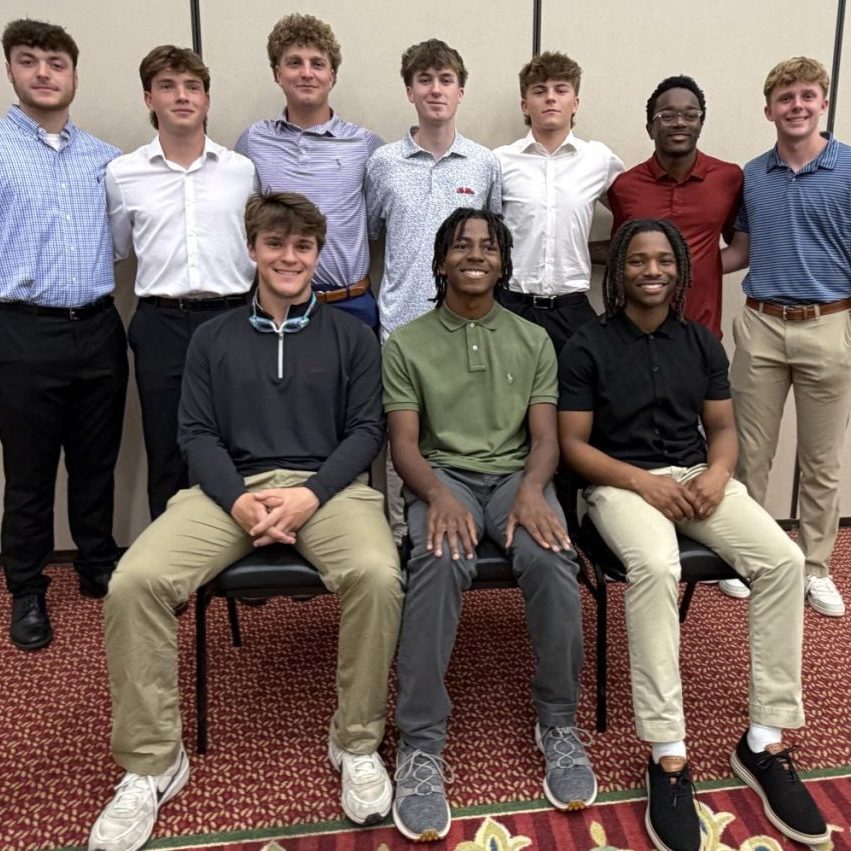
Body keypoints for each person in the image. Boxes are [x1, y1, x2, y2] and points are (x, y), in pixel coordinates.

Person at [88, 193, 403, 851]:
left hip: (328, 490)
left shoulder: (352, 334)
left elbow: (366, 429)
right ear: (253, 249)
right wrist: (237, 500)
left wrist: (310, 495)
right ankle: (153, 763)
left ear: (317, 254)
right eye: (275, 244)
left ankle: (356, 743)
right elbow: (194, 432)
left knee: (377, 574)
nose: (288, 257)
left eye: (302, 246)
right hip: (228, 491)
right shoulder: (214, 337)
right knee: (134, 581)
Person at [558, 218, 828, 851]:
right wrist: (642, 484)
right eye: (638, 261)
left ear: (679, 271)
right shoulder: (586, 345)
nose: (652, 271)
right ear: (616, 268)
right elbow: (572, 446)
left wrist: (720, 471)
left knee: (785, 561)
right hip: (618, 484)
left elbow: (724, 429)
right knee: (655, 565)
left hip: (696, 477)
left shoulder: (702, 343)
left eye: (664, 261)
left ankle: (764, 741)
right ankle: (668, 751)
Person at [383, 208, 593, 842]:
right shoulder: (406, 343)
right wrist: (436, 495)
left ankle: (557, 722)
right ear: (441, 259)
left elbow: (546, 440)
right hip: (440, 477)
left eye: (488, 246)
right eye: (461, 245)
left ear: (503, 261)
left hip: (516, 480)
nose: (475, 255)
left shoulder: (533, 340)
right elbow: (404, 447)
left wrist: (533, 490)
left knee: (554, 557)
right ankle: (420, 744)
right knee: (439, 560)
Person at [0, 18, 127, 650]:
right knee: (26, 470)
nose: (44, 73)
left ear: (74, 75)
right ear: (11, 70)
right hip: (22, 330)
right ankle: (25, 585)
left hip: (99, 325)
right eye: (30, 61)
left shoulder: (105, 160)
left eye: (56, 62)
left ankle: (96, 563)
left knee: (96, 460)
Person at [722, 57, 851, 615]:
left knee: (821, 462)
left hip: (828, 324)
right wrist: (677, 263)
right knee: (750, 453)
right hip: (761, 326)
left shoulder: (849, 170)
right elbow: (740, 252)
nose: (796, 106)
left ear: (823, 103)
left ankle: (816, 567)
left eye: (806, 96)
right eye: (785, 98)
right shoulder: (752, 175)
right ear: (768, 109)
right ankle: (751, 558)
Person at [107, 45, 257, 521]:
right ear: (148, 98)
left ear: (208, 100)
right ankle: (169, 568)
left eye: (193, 87)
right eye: (168, 86)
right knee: (167, 449)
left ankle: (241, 554)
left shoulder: (242, 171)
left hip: (233, 317)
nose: (182, 96)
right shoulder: (122, 174)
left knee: (238, 443)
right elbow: (118, 248)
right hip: (160, 322)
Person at [366, 38, 501, 545]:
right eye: (425, 80)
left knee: (456, 432)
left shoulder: (484, 164)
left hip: (468, 322)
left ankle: (459, 526)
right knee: (402, 435)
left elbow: (493, 245)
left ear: (460, 91)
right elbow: (372, 236)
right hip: (401, 324)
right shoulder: (383, 163)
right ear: (409, 91)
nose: (435, 89)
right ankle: (404, 537)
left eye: (445, 80)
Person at [237, 14, 381, 328]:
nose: (307, 73)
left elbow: (372, 226)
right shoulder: (253, 142)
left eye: (317, 63)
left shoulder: (365, 145)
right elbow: (247, 224)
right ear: (277, 73)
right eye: (294, 63)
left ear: (333, 75)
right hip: (278, 307)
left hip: (350, 305)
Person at [494, 51, 623, 354]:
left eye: (561, 90)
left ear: (574, 102)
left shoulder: (599, 160)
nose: (550, 98)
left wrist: (603, 251)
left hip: (572, 308)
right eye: (540, 91)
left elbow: (635, 212)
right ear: (526, 105)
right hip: (513, 305)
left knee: (576, 399)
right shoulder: (500, 161)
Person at [608, 75, 742, 340]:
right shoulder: (624, 186)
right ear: (650, 128)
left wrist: (700, 267)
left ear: (701, 123)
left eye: (691, 115)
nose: (680, 123)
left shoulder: (729, 178)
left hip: (703, 332)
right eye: (667, 116)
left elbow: (740, 247)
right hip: (638, 333)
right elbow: (621, 252)